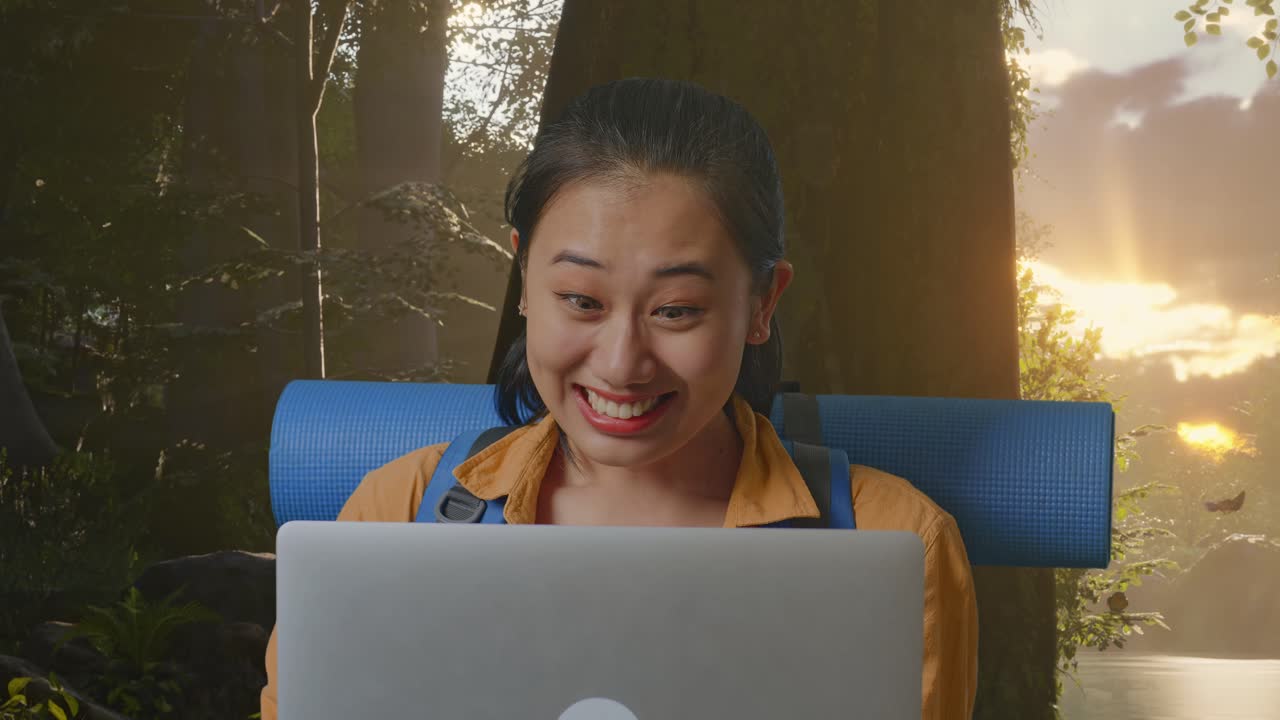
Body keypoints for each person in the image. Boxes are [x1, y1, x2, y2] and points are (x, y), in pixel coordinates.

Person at [260, 77, 978, 720]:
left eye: (676, 310)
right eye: (581, 300)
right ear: (523, 280)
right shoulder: (396, 514)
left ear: (762, 304)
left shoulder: (895, 545)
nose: (620, 364)